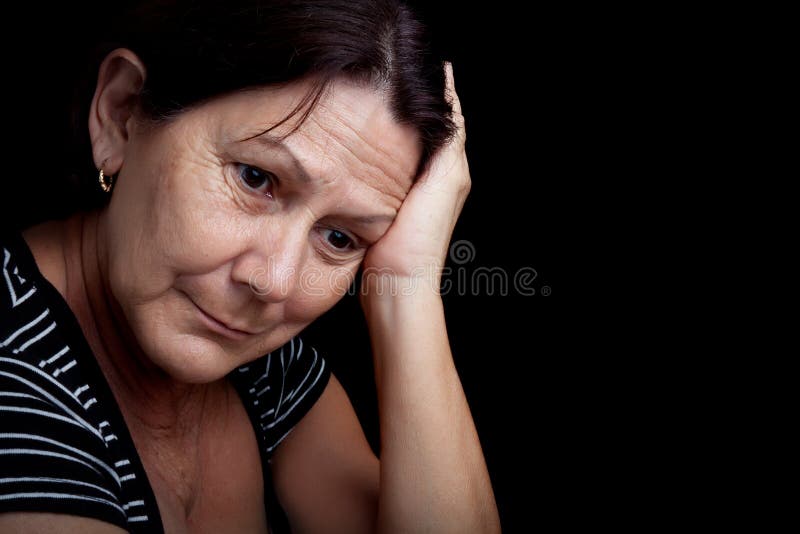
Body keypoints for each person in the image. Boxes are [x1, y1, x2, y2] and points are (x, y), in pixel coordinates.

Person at [0, 0, 499, 532]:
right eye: (255, 179)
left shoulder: (263, 372)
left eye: (339, 237)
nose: (274, 281)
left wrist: (407, 284)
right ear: (123, 113)